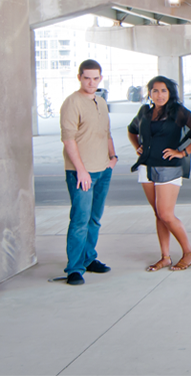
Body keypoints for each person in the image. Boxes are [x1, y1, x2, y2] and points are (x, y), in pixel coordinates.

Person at [127, 76, 191, 273]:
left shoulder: (178, 111)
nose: (159, 95)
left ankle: (189, 252)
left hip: (169, 167)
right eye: (155, 90)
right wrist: (138, 147)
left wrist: (183, 152)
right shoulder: (144, 111)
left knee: (166, 214)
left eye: (163, 90)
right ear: (149, 93)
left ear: (170, 93)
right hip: (146, 166)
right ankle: (165, 257)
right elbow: (131, 130)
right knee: (158, 214)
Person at [60, 59, 118, 286]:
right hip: (81, 173)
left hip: (103, 170)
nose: (91, 82)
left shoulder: (101, 101)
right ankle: (74, 268)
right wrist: (81, 171)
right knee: (80, 220)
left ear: (100, 78)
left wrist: (112, 158)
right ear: (79, 78)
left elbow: (107, 133)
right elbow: (68, 140)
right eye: (87, 78)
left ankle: (88, 258)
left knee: (94, 219)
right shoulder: (72, 102)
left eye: (96, 78)